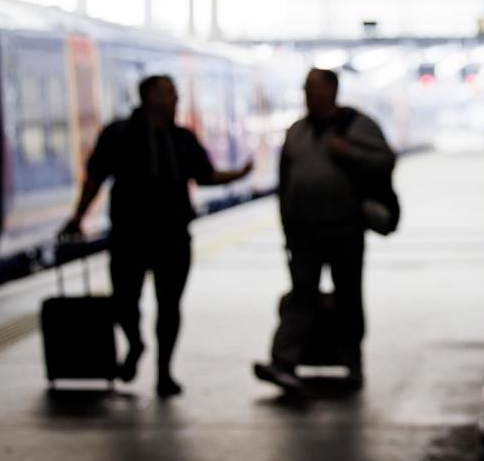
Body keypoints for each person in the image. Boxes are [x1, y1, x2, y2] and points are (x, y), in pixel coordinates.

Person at [61, 75, 252, 397]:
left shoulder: (182, 138)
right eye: (169, 95)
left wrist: (238, 175)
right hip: (129, 234)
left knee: (170, 305)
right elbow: (95, 177)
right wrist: (78, 216)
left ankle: (165, 372)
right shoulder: (118, 134)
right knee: (124, 301)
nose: (176, 100)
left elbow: (204, 175)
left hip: (173, 234)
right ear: (149, 97)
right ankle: (135, 343)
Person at [254, 68, 395, 394]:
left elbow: (385, 161)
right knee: (301, 296)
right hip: (304, 233)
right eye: (305, 89)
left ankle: (352, 362)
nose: (308, 95)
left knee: (348, 297)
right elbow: (286, 183)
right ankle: (283, 362)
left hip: (345, 229)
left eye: (314, 88)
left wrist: (350, 154)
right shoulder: (296, 131)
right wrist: (287, 227)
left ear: (332, 90)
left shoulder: (357, 125)